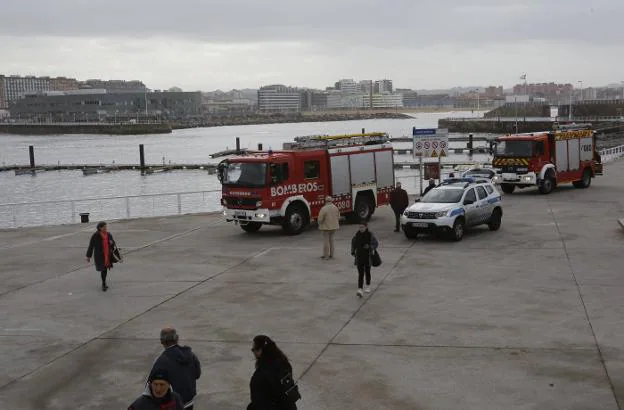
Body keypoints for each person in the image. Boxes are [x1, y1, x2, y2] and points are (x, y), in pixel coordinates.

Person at [147, 328, 201, 410]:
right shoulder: (191, 355)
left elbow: (152, 387)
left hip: (173, 404)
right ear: (177, 338)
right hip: (189, 401)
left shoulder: (161, 361)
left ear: (162, 341)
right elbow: (197, 374)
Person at [247, 335, 298, 410]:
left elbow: (258, 402)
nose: (253, 352)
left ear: (260, 350)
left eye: (254, 349)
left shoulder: (260, 376)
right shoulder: (284, 364)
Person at [86, 221, 120, 291]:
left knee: (105, 270)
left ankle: (104, 283)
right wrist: (88, 256)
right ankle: (103, 284)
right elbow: (91, 246)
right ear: (100, 228)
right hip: (100, 256)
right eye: (104, 227)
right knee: (103, 269)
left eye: (106, 227)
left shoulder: (108, 234)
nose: (105, 228)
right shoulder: (95, 236)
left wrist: (118, 257)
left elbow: (114, 245)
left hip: (107, 254)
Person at [351, 223, 379, 297]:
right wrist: (353, 252)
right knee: (360, 273)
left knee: (367, 271)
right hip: (359, 257)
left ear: (366, 227)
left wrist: (370, 247)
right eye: (359, 227)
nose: (361, 229)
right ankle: (360, 289)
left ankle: (368, 285)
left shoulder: (370, 235)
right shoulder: (357, 235)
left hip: (367, 257)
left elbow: (376, 243)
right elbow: (353, 243)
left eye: (362, 227)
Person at [317, 196, 340, 260]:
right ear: (331, 201)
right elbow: (338, 217)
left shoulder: (324, 209)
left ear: (326, 201)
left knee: (326, 242)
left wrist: (319, 224)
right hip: (334, 227)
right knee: (332, 241)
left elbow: (320, 219)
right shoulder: (336, 208)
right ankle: (332, 255)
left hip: (326, 228)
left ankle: (326, 256)